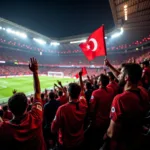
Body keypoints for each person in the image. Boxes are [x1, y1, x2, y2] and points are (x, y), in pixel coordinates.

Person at [0, 58, 46, 150]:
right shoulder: (36, 117)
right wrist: (35, 72)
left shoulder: (4, 128)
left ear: (10, 109)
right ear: (27, 105)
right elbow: (37, 92)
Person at [105, 63, 150, 150]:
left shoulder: (120, 99)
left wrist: (106, 134)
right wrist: (110, 65)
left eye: (121, 73)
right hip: (137, 139)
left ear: (127, 78)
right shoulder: (143, 91)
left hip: (123, 143)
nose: (118, 75)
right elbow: (120, 77)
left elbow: (112, 133)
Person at [51, 72, 88, 150]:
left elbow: (53, 129)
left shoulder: (62, 109)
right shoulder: (84, 103)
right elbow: (82, 92)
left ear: (69, 93)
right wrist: (80, 77)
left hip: (66, 144)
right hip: (80, 140)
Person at [90, 74, 114, 150]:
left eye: (98, 79)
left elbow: (92, 109)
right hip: (108, 120)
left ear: (100, 82)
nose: (96, 80)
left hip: (99, 122)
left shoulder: (95, 93)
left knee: (97, 140)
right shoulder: (111, 90)